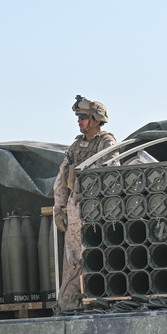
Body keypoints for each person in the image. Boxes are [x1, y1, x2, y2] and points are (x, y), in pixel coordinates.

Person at [53, 95, 118, 311]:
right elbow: (63, 177)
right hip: (76, 208)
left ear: (96, 120)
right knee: (73, 259)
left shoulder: (106, 143)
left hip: (98, 209)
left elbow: (110, 174)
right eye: (79, 117)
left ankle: (97, 301)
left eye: (83, 117)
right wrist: (59, 207)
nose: (79, 121)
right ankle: (70, 304)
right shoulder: (75, 147)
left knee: (96, 255)